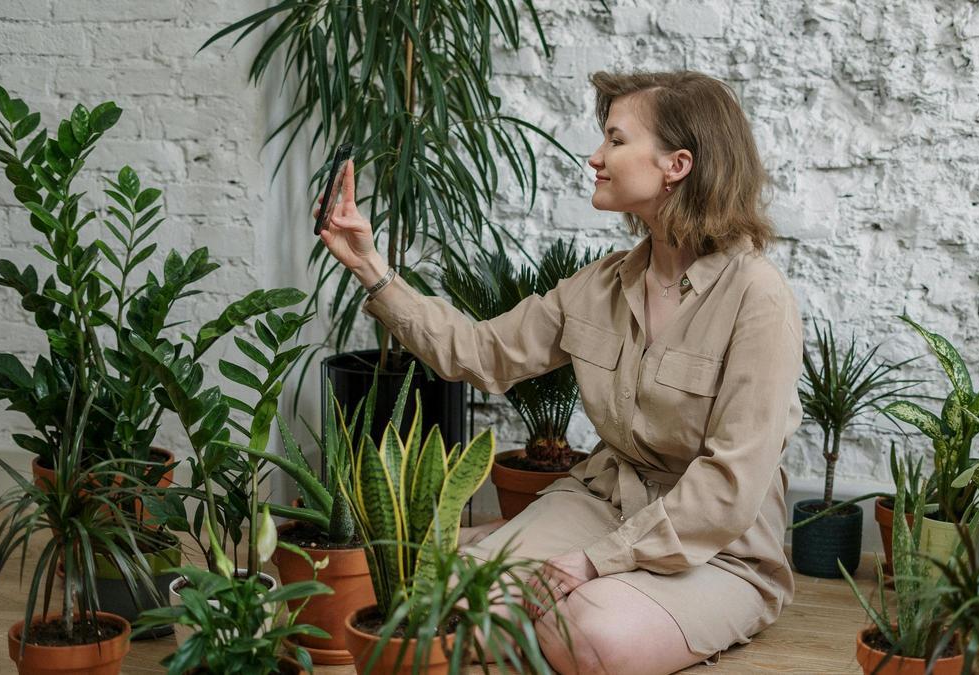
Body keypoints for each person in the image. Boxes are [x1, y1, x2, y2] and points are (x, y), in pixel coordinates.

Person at [316, 70, 804, 675]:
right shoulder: (601, 284)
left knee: (591, 634)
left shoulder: (757, 295)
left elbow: (731, 486)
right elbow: (477, 353)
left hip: (716, 547)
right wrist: (371, 267)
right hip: (602, 502)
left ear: (677, 164)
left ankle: (524, 565)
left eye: (616, 140)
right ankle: (496, 556)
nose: (596, 157)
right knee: (455, 595)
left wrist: (594, 562)